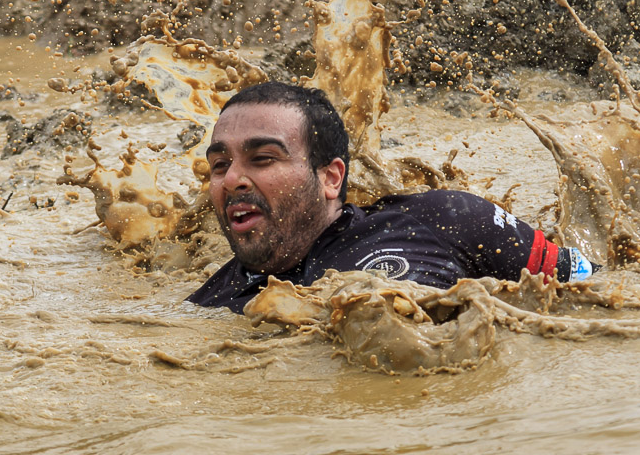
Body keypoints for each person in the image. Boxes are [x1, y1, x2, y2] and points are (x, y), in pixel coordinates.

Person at [187, 82, 597, 313]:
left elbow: (598, 288)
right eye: (220, 165)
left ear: (331, 178)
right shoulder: (213, 303)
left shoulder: (447, 220)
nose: (233, 179)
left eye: (261, 158)